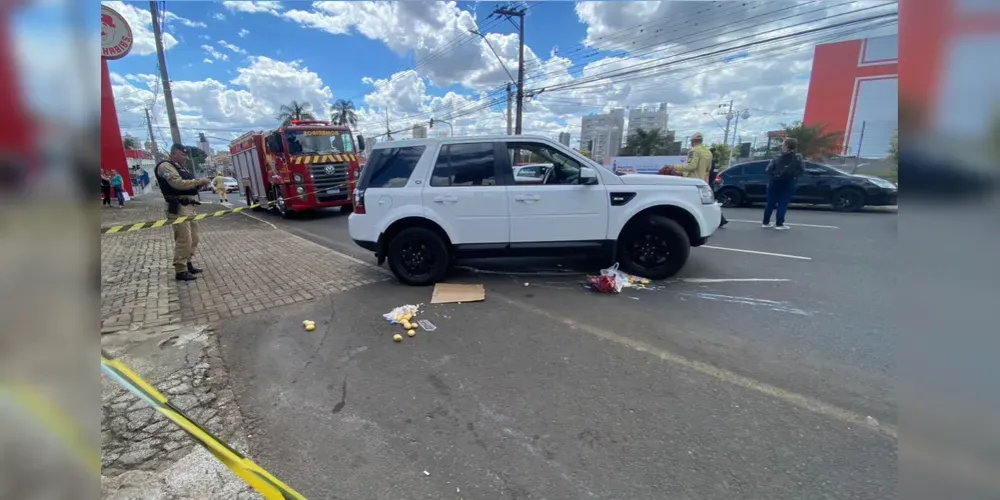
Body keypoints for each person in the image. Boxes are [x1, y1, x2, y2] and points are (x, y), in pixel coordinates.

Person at [154, 144, 212, 281]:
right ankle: (180, 269)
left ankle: (188, 262)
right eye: (183, 154)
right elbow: (177, 184)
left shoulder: (180, 167)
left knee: (194, 238)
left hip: (189, 205)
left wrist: (199, 184)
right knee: (184, 239)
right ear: (174, 153)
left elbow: (187, 184)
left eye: (186, 155)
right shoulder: (165, 167)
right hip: (179, 207)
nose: (185, 157)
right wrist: (198, 181)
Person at [762, 137, 805, 230]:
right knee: (783, 203)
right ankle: (779, 224)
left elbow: (768, 169)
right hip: (789, 182)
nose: (781, 145)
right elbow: (801, 170)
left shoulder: (777, 156)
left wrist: (774, 175)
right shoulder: (798, 157)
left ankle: (766, 222)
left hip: (774, 181)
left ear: (786, 145)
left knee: (770, 202)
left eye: (783, 144)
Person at [708, 147, 728, 228]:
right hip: (711, 185)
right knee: (711, 204)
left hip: (708, 185)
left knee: (710, 205)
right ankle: (721, 220)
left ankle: (721, 220)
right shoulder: (715, 163)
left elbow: (711, 175)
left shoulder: (711, 162)